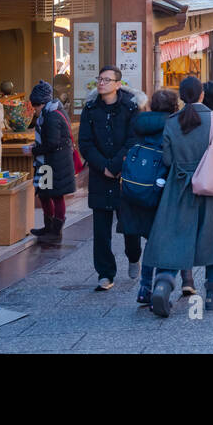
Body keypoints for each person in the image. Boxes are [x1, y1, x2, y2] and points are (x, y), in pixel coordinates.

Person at [145, 76, 213, 317]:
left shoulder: (172, 121)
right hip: (209, 184)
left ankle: (164, 283)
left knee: (175, 236)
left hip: (179, 186)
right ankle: (212, 294)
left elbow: (166, 158)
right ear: (201, 95)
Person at [78, 66, 141, 291]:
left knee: (129, 224)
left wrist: (115, 165)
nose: (101, 83)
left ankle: (134, 256)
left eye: (107, 79)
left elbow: (133, 140)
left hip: (124, 175)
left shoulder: (130, 108)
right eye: (100, 79)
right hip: (99, 175)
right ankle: (105, 273)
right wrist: (103, 166)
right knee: (101, 229)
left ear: (117, 84)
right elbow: (84, 142)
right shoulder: (91, 109)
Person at [119, 88, 176, 305]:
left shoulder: (140, 122)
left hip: (138, 186)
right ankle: (161, 285)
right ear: (173, 107)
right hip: (161, 188)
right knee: (162, 241)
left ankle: (144, 288)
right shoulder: (173, 124)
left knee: (151, 240)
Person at [26, 80, 76, 242]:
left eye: (36, 106)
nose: (35, 110)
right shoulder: (50, 112)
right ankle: (48, 227)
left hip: (55, 163)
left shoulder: (52, 116)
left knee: (55, 195)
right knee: (45, 193)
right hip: (48, 163)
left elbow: (52, 143)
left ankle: (55, 232)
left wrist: (33, 150)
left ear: (43, 103)